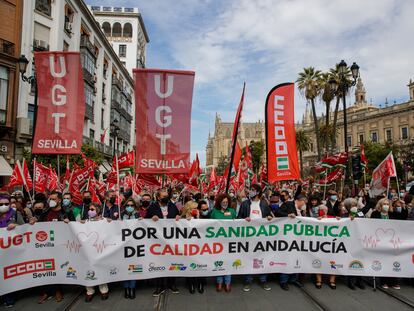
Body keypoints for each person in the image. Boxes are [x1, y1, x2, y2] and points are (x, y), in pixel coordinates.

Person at [29, 192, 65, 304]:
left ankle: (58, 290)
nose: (51, 201)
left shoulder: (66, 212)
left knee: (58, 267)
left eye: (53, 199)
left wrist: (68, 222)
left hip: (60, 245)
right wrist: (33, 221)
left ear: (59, 200)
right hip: (46, 245)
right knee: (46, 268)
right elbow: (38, 225)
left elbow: (74, 226)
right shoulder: (45, 212)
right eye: (50, 199)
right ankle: (46, 292)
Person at [237, 184, 272, 292]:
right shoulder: (245, 204)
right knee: (249, 258)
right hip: (249, 237)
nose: (250, 191)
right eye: (250, 190)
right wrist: (244, 219)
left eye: (252, 190)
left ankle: (263, 280)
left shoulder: (264, 203)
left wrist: (270, 217)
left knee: (262, 258)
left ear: (257, 192)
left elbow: (269, 216)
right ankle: (248, 281)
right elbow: (238, 218)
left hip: (262, 237)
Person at [146, 190, 180, 296]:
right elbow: (145, 220)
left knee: (172, 261)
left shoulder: (172, 206)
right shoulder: (152, 207)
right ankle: (160, 286)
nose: (166, 197)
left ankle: (171, 284)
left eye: (167, 195)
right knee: (159, 262)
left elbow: (178, 216)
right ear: (158, 197)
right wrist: (151, 219)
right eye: (164, 196)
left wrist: (179, 217)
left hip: (171, 240)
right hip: (158, 240)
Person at [276, 195, 307, 290]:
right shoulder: (288, 204)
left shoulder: (302, 211)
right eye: (304, 202)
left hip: (298, 238)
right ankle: (283, 281)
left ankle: (293, 279)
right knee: (287, 258)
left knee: (297, 259)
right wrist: (287, 216)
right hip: (287, 237)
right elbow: (277, 212)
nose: (305, 204)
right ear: (299, 201)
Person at [0, 193, 24, 307]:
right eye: (1, 204)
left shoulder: (15, 213)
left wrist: (16, 226)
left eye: (6, 204)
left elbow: (25, 228)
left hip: (11, 250)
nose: (4, 205)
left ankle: (9, 297)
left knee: (8, 274)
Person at [83, 203, 110, 302]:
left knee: (100, 267)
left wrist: (111, 222)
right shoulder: (85, 221)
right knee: (88, 269)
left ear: (98, 211)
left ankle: (104, 290)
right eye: (89, 209)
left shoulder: (104, 220)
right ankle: (89, 291)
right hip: (88, 250)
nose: (90, 211)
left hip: (100, 249)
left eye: (92, 209)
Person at [211, 193, 236, 292]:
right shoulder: (214, 212)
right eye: (223, 202)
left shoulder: (232, 211)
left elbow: (237, 223)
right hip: (218, 242)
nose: (225, 203)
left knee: (228, 262)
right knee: (219, 262)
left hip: (229, 242)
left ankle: (228, 282)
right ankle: (219, 282)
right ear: (219, 202)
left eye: (226, 202)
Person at [343, 198, 365, 290]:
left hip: (360, 239)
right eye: (351, 205)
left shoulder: (360, 213)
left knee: (361, 259)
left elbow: (364, 222)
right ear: (348, 207)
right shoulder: (344, 214)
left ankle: (360, 280)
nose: (354, 207)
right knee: (351, 259)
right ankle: (351, 280)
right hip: (349, 240)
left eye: (355, 205)